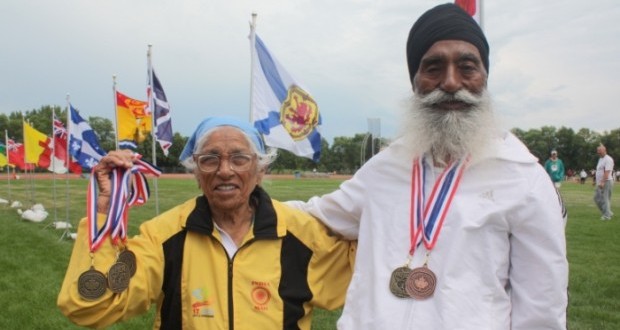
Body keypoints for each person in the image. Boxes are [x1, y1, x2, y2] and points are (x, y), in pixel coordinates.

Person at [288, 3, 568, 329]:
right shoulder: (385, 168)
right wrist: (241, 202)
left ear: (485, 78)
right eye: (433, 67)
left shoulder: (522, 178)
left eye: (467, 67)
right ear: (414, 81)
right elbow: (316, 216)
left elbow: (542, 309)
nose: (450, 82)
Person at [57, 117, 354, 329]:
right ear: (197, 173)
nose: (225, 170)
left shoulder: (302, 234)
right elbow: (91, 306)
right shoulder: (163, 236)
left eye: (239, 158)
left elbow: (372, 267)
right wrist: (104, 214)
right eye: (210, 159)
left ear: (260, 170)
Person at [594, 144, 614, 220]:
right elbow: (599, 170)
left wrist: (602, 182)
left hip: (606, 182)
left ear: (604, 150)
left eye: (599, 150)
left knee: (605, 198)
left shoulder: (608, 159)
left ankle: (607, 216)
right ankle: (608, 212)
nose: (598, 152)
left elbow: (607, 171)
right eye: (597, 150)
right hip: (600, 182)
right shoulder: (600, 159)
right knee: (596, 198)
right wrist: (595, 180)